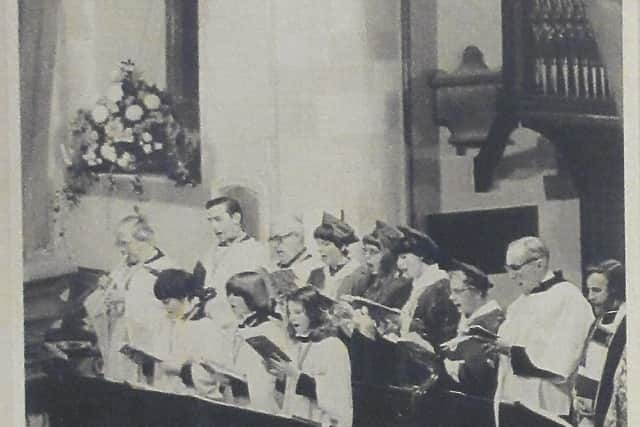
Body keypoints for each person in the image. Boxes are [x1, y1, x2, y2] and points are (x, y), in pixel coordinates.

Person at [490, 236, 594, 423]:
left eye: (515, 267)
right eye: (508, 269)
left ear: (539, 264)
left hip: (546, 403)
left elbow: (564, 360)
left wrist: (511, 351)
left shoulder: (568, 298)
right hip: (513, 401)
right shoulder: (517, 305)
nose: (511, 276)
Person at [83, 214, 176, 383]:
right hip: (120, 343)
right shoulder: (124, 265)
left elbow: (167, 314)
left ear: (143, 240)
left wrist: (126, 300)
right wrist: (107, 288)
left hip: (147, 352)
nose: (122, 250)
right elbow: (110, 299)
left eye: (125, 243)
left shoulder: (166, 270)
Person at [190, 271, 288, 412]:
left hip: (261, 407)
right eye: (229, 294)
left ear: (253, 295)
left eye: (237, 295)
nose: (231, 300)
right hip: (235, 402)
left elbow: (275, 377)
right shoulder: (234, 327)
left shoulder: (270, 329)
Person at [267, 287, 353, 427]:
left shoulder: (333, 346)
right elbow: (291, 394)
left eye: (298, 312)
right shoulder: (296, 344)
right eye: (289, 312)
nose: (292, 318)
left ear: (313, 313)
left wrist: (294, 374)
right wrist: (280, 376)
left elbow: (335, 397)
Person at [150, 269, 231, 394]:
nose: (164, 307)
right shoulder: (169, 323)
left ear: (186, 297)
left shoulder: (206, 327)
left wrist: (181, 370)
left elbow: (216, 375)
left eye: (167, 302)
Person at [193, 196, 270, 328]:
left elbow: (259, 298)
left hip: (237, 325)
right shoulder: (209, 252)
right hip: (209, 325)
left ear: (236, 218)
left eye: (218, 219)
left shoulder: (255, 251)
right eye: (210, 221)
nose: (214, 226)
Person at [575, 259, 626, 427]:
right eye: (588, 290)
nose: (590, 297)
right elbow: (589, 367)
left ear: (614, 290)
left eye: (596, 290)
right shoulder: (601, 320)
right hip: (590, 414)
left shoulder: (627, 324)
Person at [442, 261, 504, 398]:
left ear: (478, 292)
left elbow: (479, 377)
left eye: (458, 291)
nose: (451, 297)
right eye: (451, 292)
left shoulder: (490, 325)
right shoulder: (466, 321)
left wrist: (444, 365)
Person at [393, 225, 459, 347]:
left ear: (421, 255)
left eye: (404, 257)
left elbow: (441, 332)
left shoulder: (440, 287)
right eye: (398, 258)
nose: (399, 264)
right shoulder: (416, 285)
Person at [347, 220, 411, 309]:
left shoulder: (401, 285)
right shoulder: (365, 280)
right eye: (365, 251)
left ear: (389, 256)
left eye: (373, 252)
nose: (367, 256)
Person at [307, 212, 363, 299]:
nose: (320, 249)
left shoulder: (359, 274)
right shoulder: (315, 275)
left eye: (326, 244)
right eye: (318, 244)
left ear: (342, 246)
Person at [269, 214, 322, 290]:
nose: (274, 245)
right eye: (272, 239)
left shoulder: (317, 269)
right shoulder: (272, 268)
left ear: (297, 237)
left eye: (279, 239)